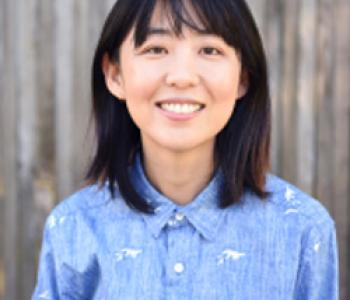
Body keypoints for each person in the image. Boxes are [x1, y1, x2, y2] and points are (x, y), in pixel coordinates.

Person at [32, 0, 339, 299]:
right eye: (156, 49)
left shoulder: (302, 229)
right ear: (115, 75)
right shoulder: (73, 227)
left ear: (243, 77)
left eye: (209, 50)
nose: (182, 77)